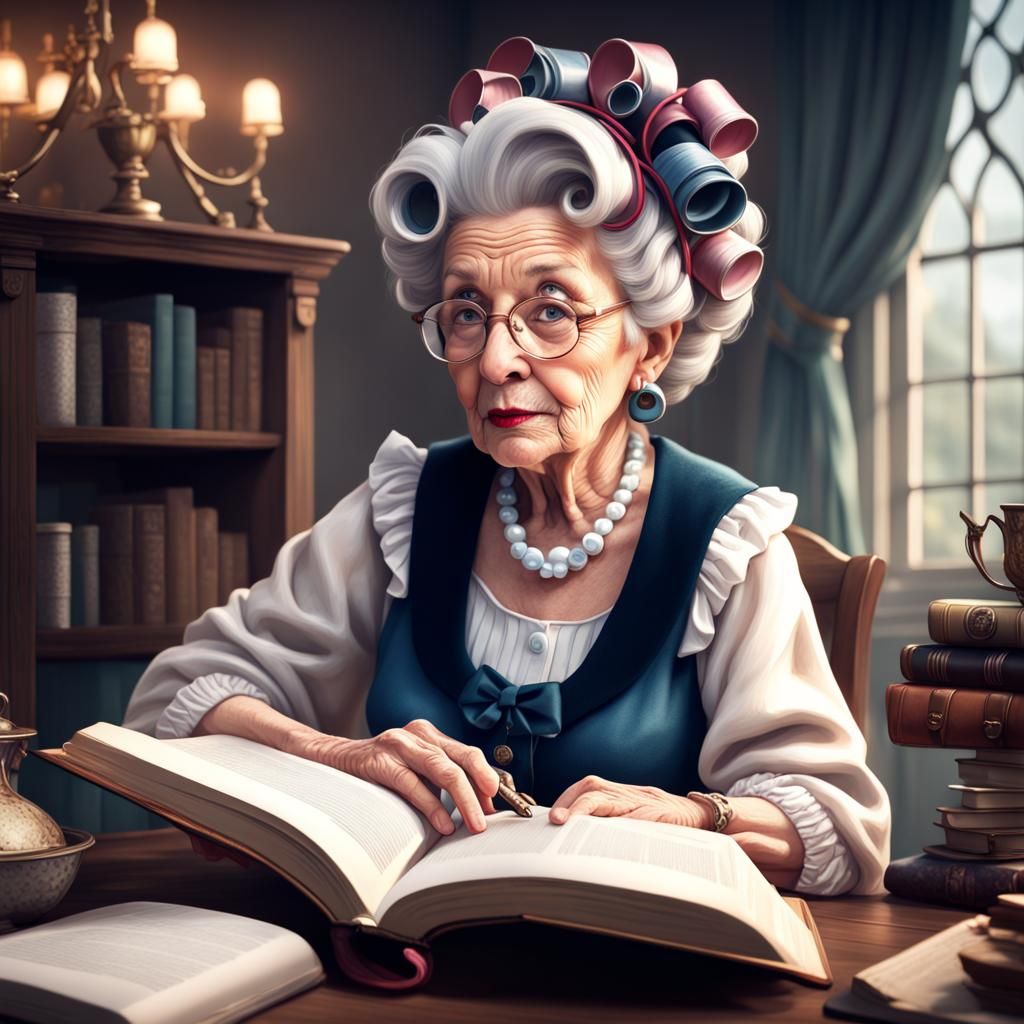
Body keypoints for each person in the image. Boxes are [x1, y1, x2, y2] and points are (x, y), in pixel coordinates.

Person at [122, 40, 891, 897]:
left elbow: (835, 825)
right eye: (466, 313)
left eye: (551, 312)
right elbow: (179, 698)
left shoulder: (727, 544)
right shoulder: (406, 509)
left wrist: (701, 815)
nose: (494, 361)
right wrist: (339, 752)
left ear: (653, 344)